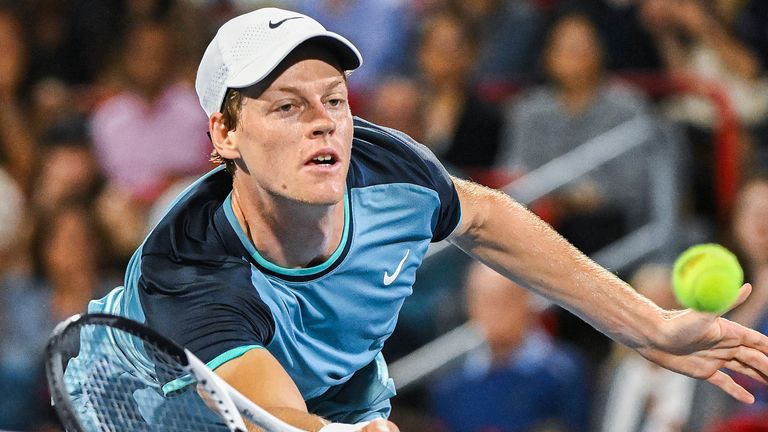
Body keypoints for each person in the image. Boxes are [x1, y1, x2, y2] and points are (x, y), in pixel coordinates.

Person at [78, 7, 768, 432]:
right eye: (286, 106)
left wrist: (646, 326)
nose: (323, 122)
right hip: (150, 396)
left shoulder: (388, 172)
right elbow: (270, 414)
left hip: (327, 384)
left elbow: (488, 216)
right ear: (225, 136)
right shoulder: (189, 270)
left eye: (334, 99)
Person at [429, 262, 590, 432]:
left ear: (526, 301)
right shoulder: (450, 387)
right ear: (471, 307)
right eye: (483, 301)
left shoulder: (563, 372)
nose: (493, 313)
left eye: (503, 300)